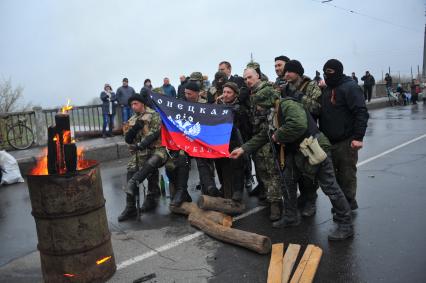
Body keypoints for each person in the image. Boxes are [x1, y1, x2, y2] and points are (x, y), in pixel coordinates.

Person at [229, 86, 354, 241]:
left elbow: (298, 124)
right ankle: (290, 216)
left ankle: (345, 225)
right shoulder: (272, 113)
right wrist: (243, 149)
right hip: (296, 152)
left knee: (330, 187)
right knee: (287, 183)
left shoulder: (287, 105)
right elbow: (264, 135)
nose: (258, 108)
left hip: (315, 149)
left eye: (259, 104)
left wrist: (277, 135)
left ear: (267, 101)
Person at [320, 59, 369, 212]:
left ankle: (348, 205)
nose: (326, 76)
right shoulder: (327, 89)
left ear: (338, 71)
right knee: (332, 177)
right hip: (329, 141)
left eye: (329, 72)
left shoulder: (350, 87)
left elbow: (361, 112)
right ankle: (342, 205)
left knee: (347, 175)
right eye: (324, 73)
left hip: (346, 141)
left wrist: (358, 138)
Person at [235, 67, 283, 221]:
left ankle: (276, 205)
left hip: (269, 138)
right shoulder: (252, 93)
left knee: (271, 171)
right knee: (262, 170)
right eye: (245, 79)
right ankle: (270, 197)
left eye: (250, 77)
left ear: (258, 77)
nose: (248, 81)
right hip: (258, 137)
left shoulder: (265, 90)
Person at [280, 60, 322, 217]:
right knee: (293, 172)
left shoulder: (310, 86)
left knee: (309, 173)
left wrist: (299, 97)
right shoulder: (286, 87)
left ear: (297, 72)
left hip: (308, 136)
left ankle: (311, 201)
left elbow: (317, 107)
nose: (286, 75)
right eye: (285, 72)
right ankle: (301, 199)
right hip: (292, 136)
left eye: (289, 72)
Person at [117, 93, 168, 221]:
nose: (133, 107)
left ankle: (149, 195)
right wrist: (133, 130)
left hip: (158, 149)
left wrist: (141, 144)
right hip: (141, 152)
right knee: (131, 168)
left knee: (153, 161)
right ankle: (130, 208)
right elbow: (128, 140)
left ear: (142, 104)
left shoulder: (153, 115)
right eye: (131, 105)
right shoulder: (131, 120)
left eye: (136, 104)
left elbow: (154, 133)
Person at [184, 81, 221, 197]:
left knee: (206, 163)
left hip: (206, 139)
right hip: (190, 140)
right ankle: (208, 188)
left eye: (189, 94)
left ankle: (209, 188)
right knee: (199, 163)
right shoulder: (184, 105)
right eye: (186, 93)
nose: (187, 96)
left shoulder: (206, 104)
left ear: (197, 93)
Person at [214, 82, 248, 201]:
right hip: (221, 142)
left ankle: (238, 190)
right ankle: (224, 186)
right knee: (219, 163)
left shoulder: (240, 108)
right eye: (224, 92)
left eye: (229, 92)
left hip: (236, 142)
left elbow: (243, 127)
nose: (226, 95)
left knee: (236, 164)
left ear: (235, 94)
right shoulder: (218, 106)